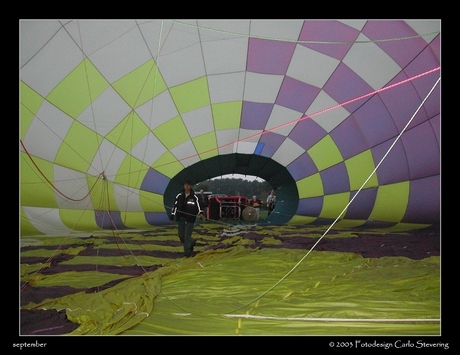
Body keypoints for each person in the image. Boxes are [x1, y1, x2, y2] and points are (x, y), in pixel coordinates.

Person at [169, 180, 205, 257]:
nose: (187, 187)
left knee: (187, 236)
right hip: (181, 217)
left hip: (190, 218)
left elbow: (199, 206)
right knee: (181, 235)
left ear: (190, 186)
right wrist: (172, 215)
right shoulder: (179, 195)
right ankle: (191, 243)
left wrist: (201, 213)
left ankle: (187, 252)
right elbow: (175, 206)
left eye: (188, 185)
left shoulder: (194, 197)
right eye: (185, 185)